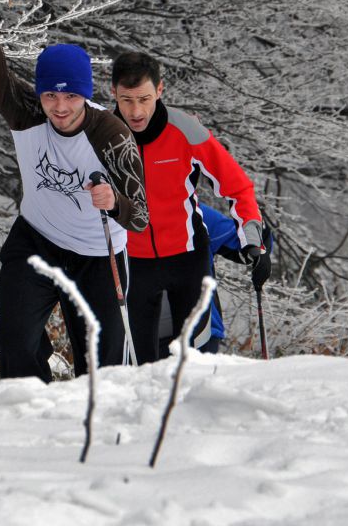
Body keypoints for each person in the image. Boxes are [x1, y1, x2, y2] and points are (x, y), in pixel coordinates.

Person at [0, 0, 149, 382]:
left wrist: (113, 201)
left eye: (71, 98)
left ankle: (93, 430)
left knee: (102, 370)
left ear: (86, 95)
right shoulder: (27, 113)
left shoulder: (111, 137)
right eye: (49, 97)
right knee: (15, 342)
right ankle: (28, 407)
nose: (59, 108)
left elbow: (141, 217)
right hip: (37, 240)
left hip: (100, 256)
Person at [110, 51, 267, 364]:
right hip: (132, 261)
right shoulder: (102, 133)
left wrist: (253, 238)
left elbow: (237, 187)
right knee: (137, 363)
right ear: (113, 92)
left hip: (187, 257)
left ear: (160, 90)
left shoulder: (186, 131)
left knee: (193, 357)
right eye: (127, 100)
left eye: (144, 98)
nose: (136, 111)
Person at [157, 203, 274, 357]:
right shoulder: (121, 216)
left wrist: (258, 232)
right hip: (137, 333)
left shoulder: (195, 212)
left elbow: (243, 242)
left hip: (201, 331)